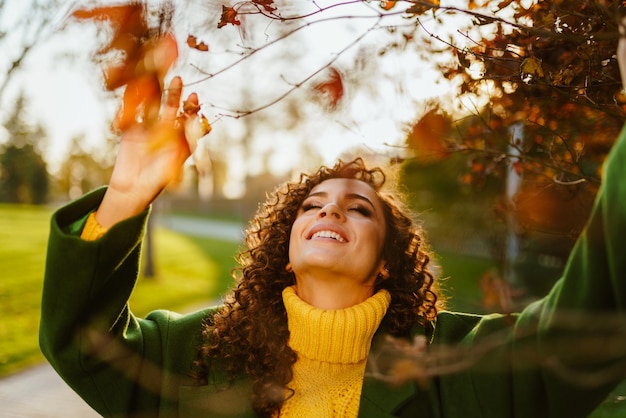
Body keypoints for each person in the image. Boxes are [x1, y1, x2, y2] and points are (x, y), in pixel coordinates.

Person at [40, 42, 626, 418]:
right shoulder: (195, 352)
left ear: (389, 260)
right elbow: (80, 342)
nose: (330, 211)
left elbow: (592, 314)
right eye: (312, 205)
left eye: (360, 208)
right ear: (287, 251)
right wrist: (123, 199)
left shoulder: (459, 367)